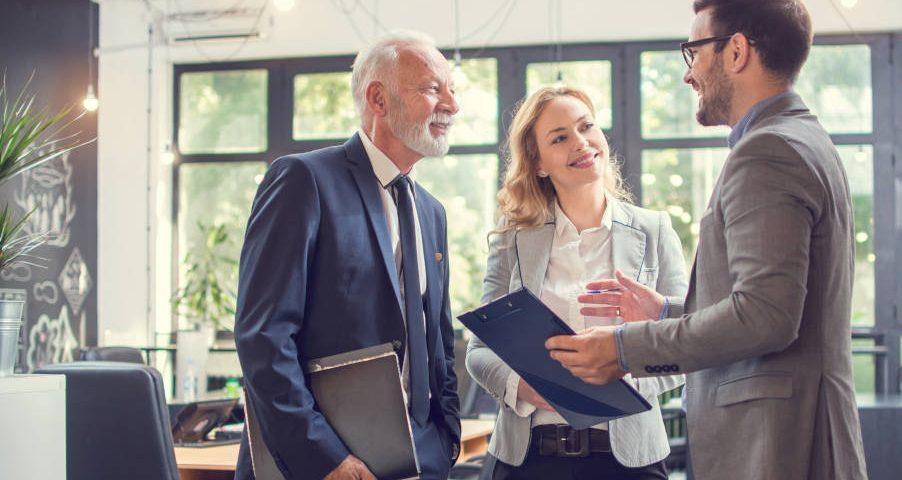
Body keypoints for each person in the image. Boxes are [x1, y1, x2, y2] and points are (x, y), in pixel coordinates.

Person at [544, 1, 868, 479]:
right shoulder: (801, 137)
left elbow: (766, 317)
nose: (688, 74)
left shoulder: (768, 151)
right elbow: (776, 303)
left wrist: (624, 347)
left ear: (736, 51)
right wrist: (668, 313)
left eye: (692, 52)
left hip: (780, 445)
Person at [234, 31, 462, 480]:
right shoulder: (303, 180)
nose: (452, 105)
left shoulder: (431, 211)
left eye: (453, 90)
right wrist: (326, 459)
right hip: (318, 465)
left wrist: (445, 438)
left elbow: (438, 342)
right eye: (434, 88)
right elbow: (263, 337)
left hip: (416, 461)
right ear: (378, 98)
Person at [466, 86, 687, 480]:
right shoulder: (512, 238)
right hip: (528, 459)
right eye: (560, 137)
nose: (581, 142)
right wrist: (523, 386)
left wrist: (623, 365)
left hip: (629, 461)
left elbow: (688, 344)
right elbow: (479, 351)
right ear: (538, 165)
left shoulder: (654, 230)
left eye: (587, 126)